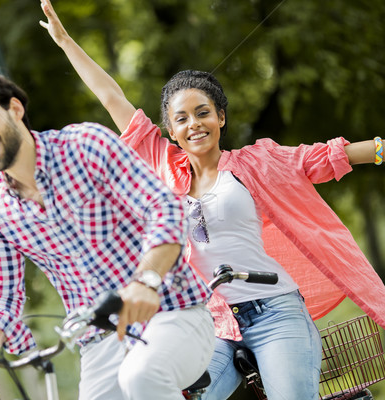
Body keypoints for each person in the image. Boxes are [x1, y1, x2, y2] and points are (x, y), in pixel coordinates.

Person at [39, 1, 385, 399]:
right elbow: (111, 97)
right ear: (170, 129)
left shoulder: (257, 163)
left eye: (202, 113)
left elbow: (328, 154)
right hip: (212, 325)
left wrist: (378, 149)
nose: (194, 124)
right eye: (182, 118)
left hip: (275, 311)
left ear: (220, 117)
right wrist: (65, 42)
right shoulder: (162, 165)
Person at [0, 68, 216, 400]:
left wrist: (146, 281)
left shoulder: (85, 145)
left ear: (14, 109)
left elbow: (163, 208)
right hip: (100, 341)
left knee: (141, 376)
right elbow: (3, 294)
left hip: (171, 311)